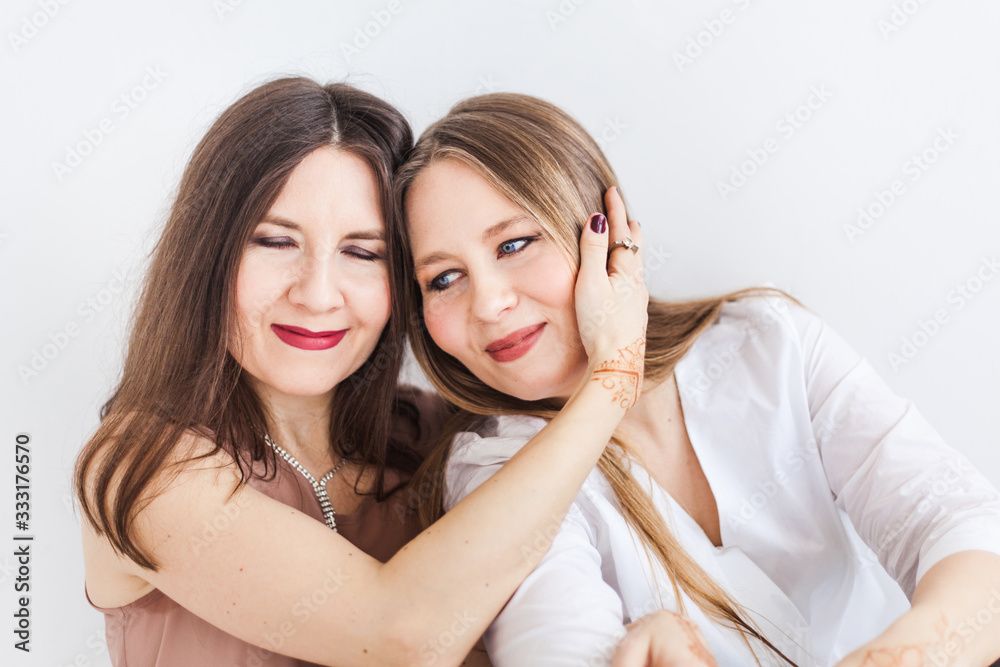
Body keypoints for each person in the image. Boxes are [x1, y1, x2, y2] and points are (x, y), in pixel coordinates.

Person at [394, 92, 1000, 667]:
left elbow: (963, 528)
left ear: (607, 230)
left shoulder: (767, 343)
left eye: (515, 244)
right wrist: (612, 370)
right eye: (443, 279)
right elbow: (558, 647)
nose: (489, 303)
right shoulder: (493, 471)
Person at [74, 78, 651, 666]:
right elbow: (401, 636)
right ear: (207, 257)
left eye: (362, 252)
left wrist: (653, 631)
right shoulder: (141, 469)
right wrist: (613, 378)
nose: (318, 295)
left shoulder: (444, 439)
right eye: (275, 242)